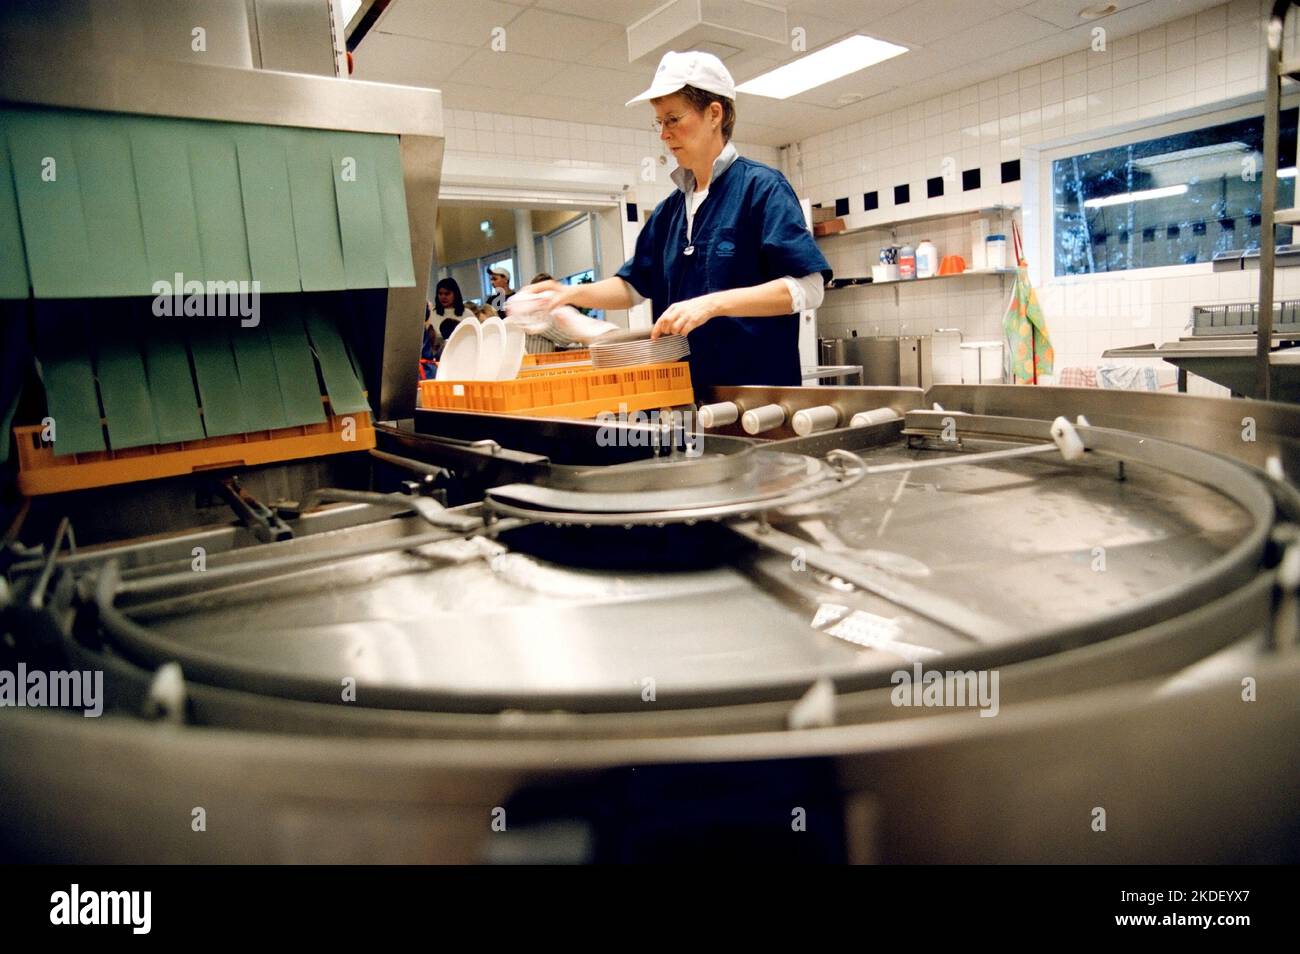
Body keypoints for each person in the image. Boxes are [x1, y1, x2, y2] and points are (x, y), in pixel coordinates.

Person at [513, 50, 831, 391]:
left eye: (673, 119)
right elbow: (633, 286)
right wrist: (566, 293)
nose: (663, 134)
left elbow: (810, 288)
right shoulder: (669, 211)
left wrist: (713, 304)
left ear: (713, 114)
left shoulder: (761, 188)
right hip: (684, 398)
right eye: (659, 122)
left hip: (760, 399)